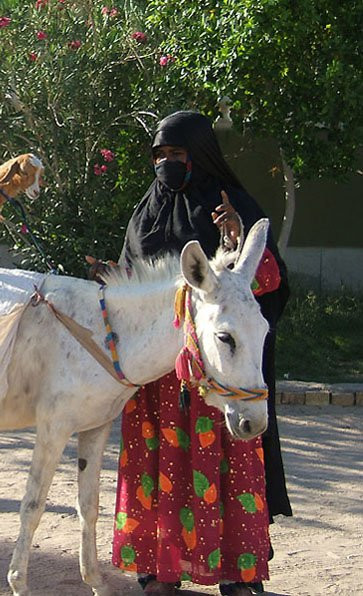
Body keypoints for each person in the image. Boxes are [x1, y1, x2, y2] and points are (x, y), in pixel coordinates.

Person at [110, 111, 292, 596]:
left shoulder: (231, 206)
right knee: (161, 468)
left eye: (178, 154)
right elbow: (131, 284)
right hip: (159, 377)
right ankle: (160, 570)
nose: (167, 164)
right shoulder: (144, 214)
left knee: (226, 468)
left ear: (201, 155)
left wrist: (235, 237)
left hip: (217, 374)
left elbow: (269, 282)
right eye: (160, 156)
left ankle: (237, 573)